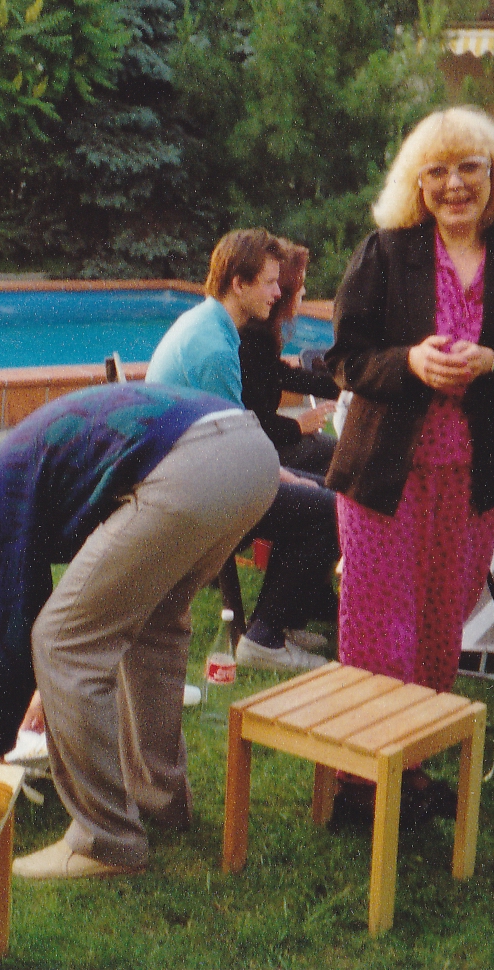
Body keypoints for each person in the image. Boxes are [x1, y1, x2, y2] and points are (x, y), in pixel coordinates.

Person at [324, 106, 494, 817]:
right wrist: (408, 362)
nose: (455, 184)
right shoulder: (387, 251)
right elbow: (344, 358)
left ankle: (412, 768)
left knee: (441, 627)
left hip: (473, 473)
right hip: (384, 474)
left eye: (470, 167)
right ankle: (363, 782)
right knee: (380, 626)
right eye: (437, 170)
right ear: (418, 182)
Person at [0, 383, 279, 880]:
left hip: (186, 468)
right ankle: (161, 802)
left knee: (61, 643)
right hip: (251, 453)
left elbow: (8, 634)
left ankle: (105, 841)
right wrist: (43, 692)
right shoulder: (35, 472)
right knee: (154, 625)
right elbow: (58, 599)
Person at [147, 229, 339, 671]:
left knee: (319, 492)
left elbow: (235, 440)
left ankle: (283, 621)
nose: (279, 292)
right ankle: (264, 639)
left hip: (195, 472)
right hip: (193, 492)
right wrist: (285, 475)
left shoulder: (211, 324)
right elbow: (237, 454)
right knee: (331, 509)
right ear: (238, 283)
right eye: (269, 282)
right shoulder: (214, 348)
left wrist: (286, 475)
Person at [239, 238, 342, 474]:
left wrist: (343, 384)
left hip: (265, 444)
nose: (303, 291)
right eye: (300, 285)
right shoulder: (252, 338)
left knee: (338, 452)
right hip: (257, 456)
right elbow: (256, 422)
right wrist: (298, 425)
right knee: (343, 458)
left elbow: (284, 375)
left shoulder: (261, 332)